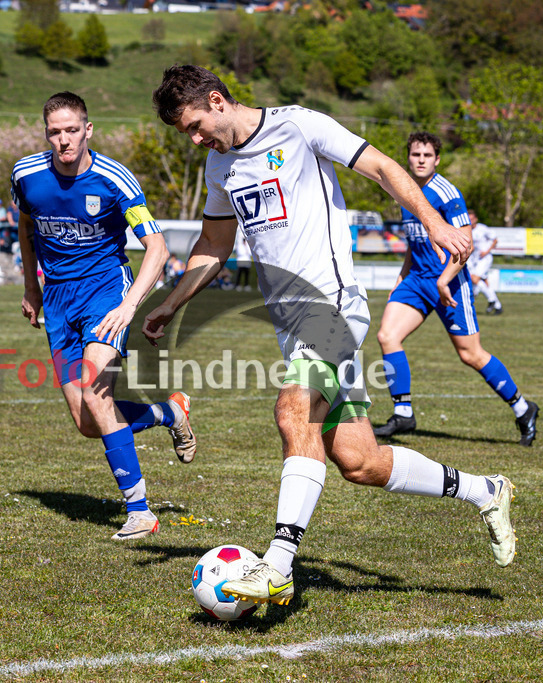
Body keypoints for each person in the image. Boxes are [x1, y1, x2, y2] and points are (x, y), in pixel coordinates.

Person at [145, 65, 515, 606]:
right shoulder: (219, 167)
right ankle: (488, 491)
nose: (196, 138)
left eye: (197, 125)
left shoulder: (299, 127)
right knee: (359, 460)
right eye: (187, 134)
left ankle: (277, 565)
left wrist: (435, 223)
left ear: (218, 101)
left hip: (335, 305)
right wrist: (170, 304)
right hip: (290, 325)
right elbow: (214, 244)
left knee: (292, 409)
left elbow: (385, 168)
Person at [10, 91, 196, 542]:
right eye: (54, 132)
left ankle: (139, 511)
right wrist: (31, 286)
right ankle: (169, 412)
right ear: (46, 133)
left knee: (97, 395)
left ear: (88, 130)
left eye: (71, 130)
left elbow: (157, 247)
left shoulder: (116, 180)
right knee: (87, 422)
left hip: (105, 294)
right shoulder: (26, 175)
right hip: (56, 301)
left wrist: (129, 304)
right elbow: (26, 226)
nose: (63, 140)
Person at [372, 132, 538, 446]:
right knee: (387, 336)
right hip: (417, 281)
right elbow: (414, 244)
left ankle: (523, 408)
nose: (420, 160)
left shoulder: (448, 193)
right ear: (409, 157)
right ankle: (403, 412)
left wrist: (443, 279)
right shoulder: (404, 191)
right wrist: (400, 279)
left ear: (437, 159)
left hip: (449, 283)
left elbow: (467, 245)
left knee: (470, 354)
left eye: (427, 155)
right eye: (415, 155)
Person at [468, 209, 502, 314]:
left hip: (485, 259)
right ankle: (497, 306)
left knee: (474, 279)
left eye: (472, 219)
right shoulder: (467, 230)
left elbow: (495, 240)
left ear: (476, 219)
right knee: (481, 282)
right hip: (475, 260)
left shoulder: (482, 229)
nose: (470, 221)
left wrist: (487, 251)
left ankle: (491, 300)